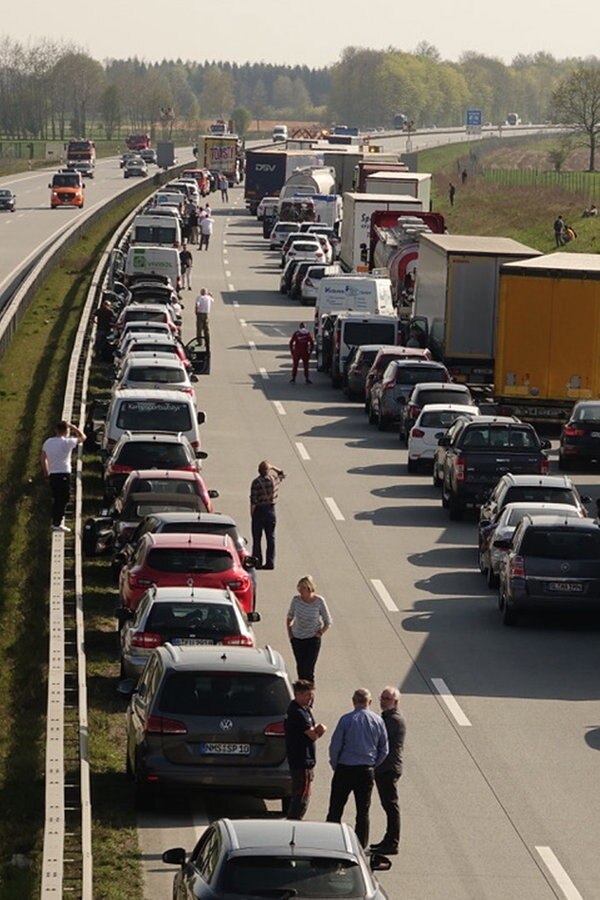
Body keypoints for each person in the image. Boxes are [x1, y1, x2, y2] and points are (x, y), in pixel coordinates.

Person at [326, 688, 389, 848]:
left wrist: (336, 765)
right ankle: (360, 845)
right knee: (363, 811)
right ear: (370, 702)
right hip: (365, 770)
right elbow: (384, 749)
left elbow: (335, 746)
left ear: (353, 701)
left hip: (345, 768)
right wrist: (372, 764)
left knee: (335, 808)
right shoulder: (378, 721)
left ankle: (329, 842)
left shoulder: (346, 720)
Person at [370, 686, 406, 856]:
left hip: (388, 767)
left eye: (387, 699)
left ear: (396, 702)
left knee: (390, 806)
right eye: (382, 698)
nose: (383, 701)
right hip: (385, 766)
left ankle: (392, 842)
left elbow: (379, 739)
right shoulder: (386, 717)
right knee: (388, 805)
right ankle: (388, 839)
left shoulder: (393, 720)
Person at [284, 680, 327, 820]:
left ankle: (295, 818)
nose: (310, 698)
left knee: (303, 792)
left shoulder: (305, 710)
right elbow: (312, 734)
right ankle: (294, 820)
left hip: (305, 759)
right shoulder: (297, 712)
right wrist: (321, 730)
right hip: (301, 759)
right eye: (308, 695)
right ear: (298, 694)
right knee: (301, 794)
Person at [41, 420, 86, 532]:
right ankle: (57, 523)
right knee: (63, 498)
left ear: (56, 430)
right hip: (63, 473)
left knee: (57, 498)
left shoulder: (48, 442)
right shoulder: (67, 442)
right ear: (66, 431)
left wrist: (46, 473)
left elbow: (43, 459)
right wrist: (74, 427)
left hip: (53, 474)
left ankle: (56, 520)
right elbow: (83, 437)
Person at [286, 576, 333, 682]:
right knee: (301, 667)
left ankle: (309, 692)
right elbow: (290, 616)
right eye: (299, 588)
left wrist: (320, 633)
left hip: (312, 638)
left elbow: (328, 621)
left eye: (303, 588)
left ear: (309, 588)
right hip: (297, 637)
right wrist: (290, 633)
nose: (300, 591)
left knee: (309, 668)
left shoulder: (319, 601)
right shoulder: (296, 600)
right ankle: (301, 691)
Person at [249, 460, 286, 569]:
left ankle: (257, 561)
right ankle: (270, 562)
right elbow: (282, 474)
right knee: (271, 538)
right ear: (268, 471)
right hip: (270, 510)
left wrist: (252, 513)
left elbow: (253, 500)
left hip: (259, 511)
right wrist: (273, 467)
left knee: (257, 538)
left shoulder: (256, 482)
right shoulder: (273, 480)